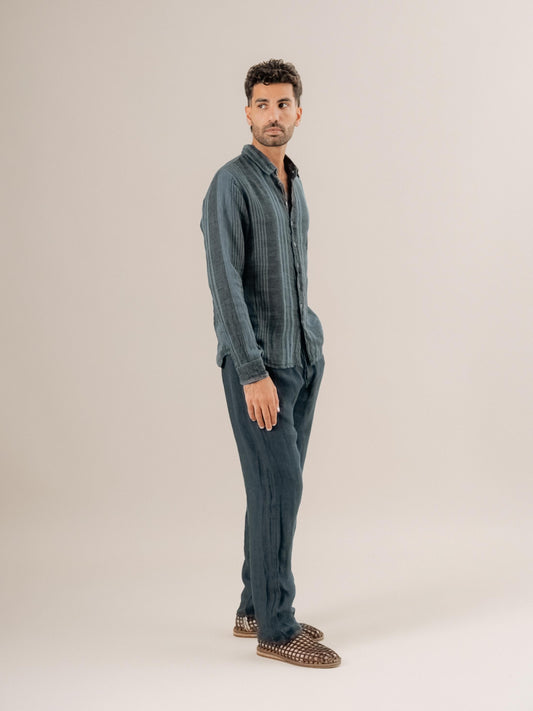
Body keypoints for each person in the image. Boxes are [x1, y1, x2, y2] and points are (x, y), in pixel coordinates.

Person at [200, 59, 341, 668]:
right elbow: (224, 283)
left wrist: (312, 344)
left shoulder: (294, 182)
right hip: (259, 368)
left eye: (283, 104)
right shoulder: (230, 184)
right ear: (248, 112)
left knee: (273, 491)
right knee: (281, 486)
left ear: (298, 112)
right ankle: (277, 630)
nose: (273, 114)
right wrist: (252, 372)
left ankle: (252, 607)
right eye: (262, 104)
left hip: (301, 357)